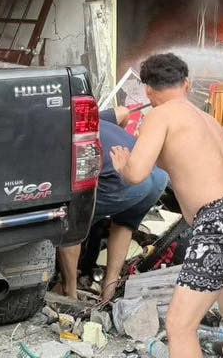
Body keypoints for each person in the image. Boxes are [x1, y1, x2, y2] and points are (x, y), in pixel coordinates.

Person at [111, 53, 223, 358]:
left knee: (179, 326)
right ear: (187, 84)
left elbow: (137, 174)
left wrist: (122, 166)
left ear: (148, 91)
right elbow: (182, 162)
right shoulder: (205, 118)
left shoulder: (159, 116)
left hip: (219, 223)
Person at [56, 106, 169, 302]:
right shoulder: (91, 118)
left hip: (120, 176)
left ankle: (69, 293)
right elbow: (123, 112)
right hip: (155, 174)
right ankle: (109, 290)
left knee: (72, 222)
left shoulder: (61, 126)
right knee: (124, 223)